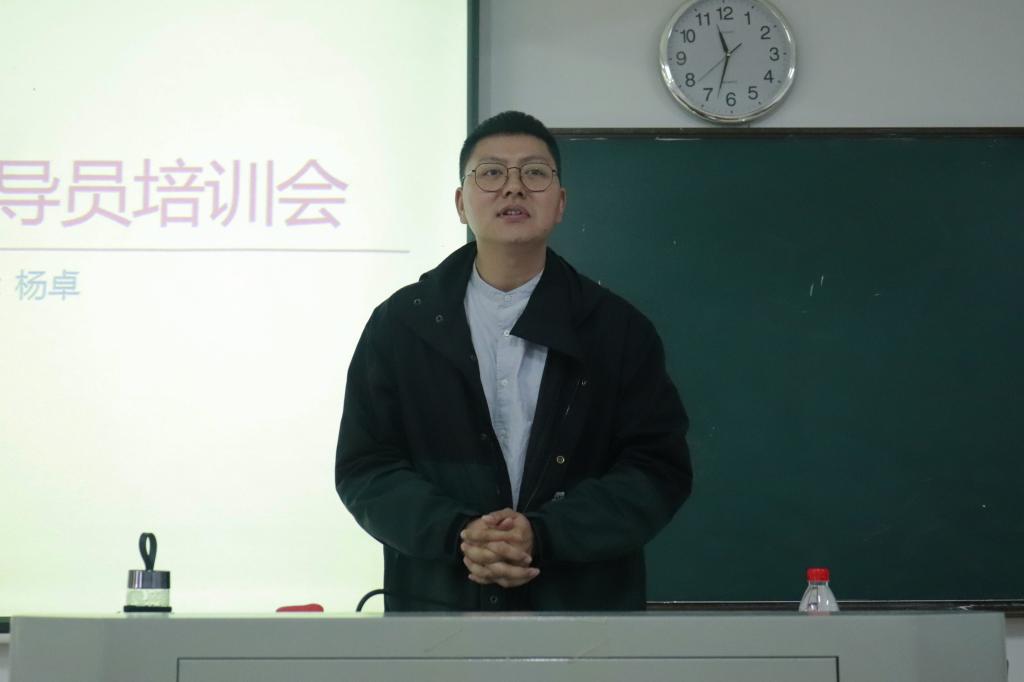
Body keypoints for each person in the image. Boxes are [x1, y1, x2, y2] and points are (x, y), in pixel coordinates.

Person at [335, 111, 692, 611]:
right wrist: (458, 533)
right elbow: (366, 467)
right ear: (461, 203)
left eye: (535, 172)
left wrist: (545, 535)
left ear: (560, 203)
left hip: (583, 615)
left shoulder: (617, 330)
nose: (513, 187)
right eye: (491, 172)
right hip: (436, 609)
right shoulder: (400, 325)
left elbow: (656, 470)